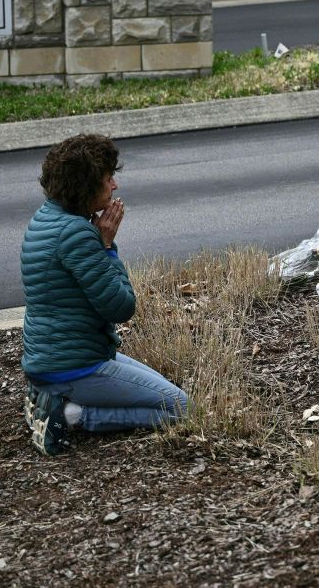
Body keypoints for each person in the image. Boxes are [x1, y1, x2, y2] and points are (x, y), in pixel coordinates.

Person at [20, 134, 188, 455]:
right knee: (181, 408)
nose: (115, 186)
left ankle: (48, 395)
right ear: (85, 186)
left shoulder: (46, 217)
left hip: (51, 360)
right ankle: (71, 415)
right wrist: (107, 247)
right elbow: (121, 307)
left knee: (171, 392)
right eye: (107, 178)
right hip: (75, 367)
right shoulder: (76, 233)